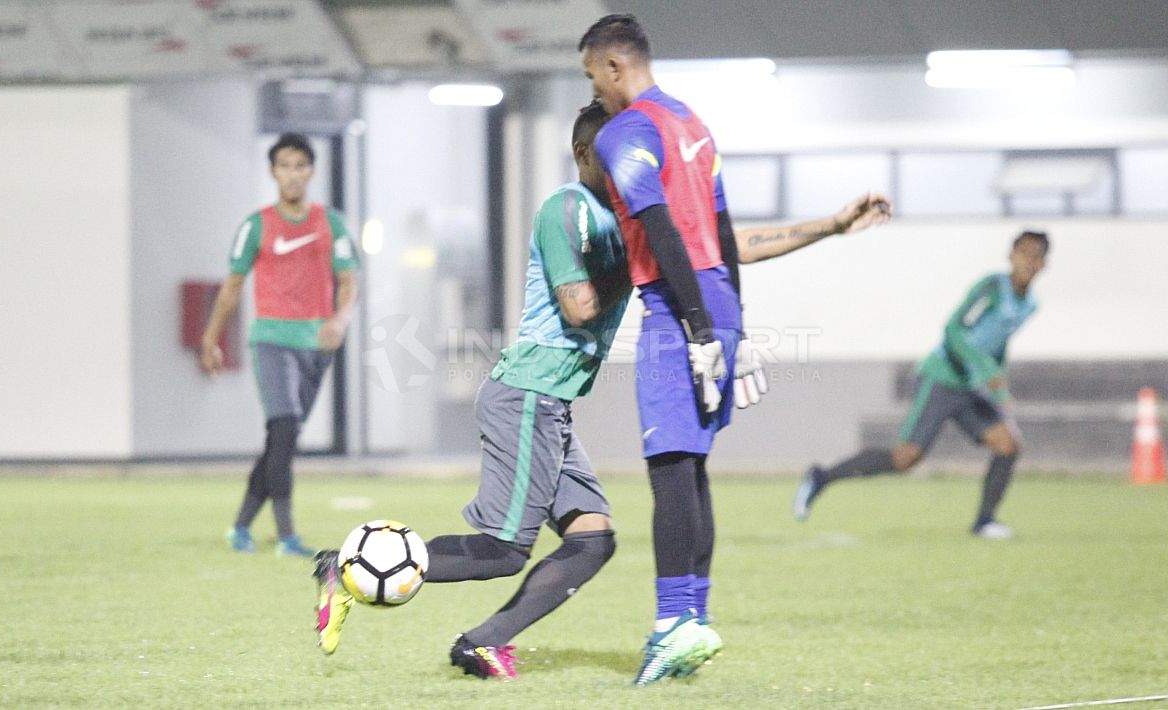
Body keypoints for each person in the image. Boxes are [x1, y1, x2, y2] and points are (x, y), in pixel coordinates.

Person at [578, 13, 892, 685]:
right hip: (716, 297)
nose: (595, 93)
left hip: (676, 306)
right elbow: (719, 227)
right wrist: (733, 324)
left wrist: (690, 325)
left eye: (592, 77)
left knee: (669, 466)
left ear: (613, 67)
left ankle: (671, 627)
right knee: (692, 469)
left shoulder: (626, 132)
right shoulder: (693, 124)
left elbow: (660, 227)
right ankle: (692, 620)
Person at [312, 102, 629, 681]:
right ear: (584, 153)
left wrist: (826, 227)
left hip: (549, 404)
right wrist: (641, 258)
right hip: (527, 395)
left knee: (593, 540)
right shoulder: (569, 208)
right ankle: (347, 569)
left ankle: (482, 641)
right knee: (504, 552)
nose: (631, 163)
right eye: (618, 151)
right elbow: (580, 307)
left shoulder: (623, 216)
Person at [794, 230, 1050, 540]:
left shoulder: (1029, 304)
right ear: (1011, 255)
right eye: (1023, 253)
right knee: (906, 459)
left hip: (971, 386)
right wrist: (985, 370)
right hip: (942, 377)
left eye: (1035, 256)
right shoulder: (993, 288)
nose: (1028, 262)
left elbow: (997, 343)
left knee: (1008, 445)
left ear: (1043, 264)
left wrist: (998, 382)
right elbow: (954, 330)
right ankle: (822, 477)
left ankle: (985, 522)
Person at [200, 132, 359, 557]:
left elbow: (349, 280)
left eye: (301, 166)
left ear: (312, 171)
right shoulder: (257, 225)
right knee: (284, 429)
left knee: (281, 439)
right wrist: (211, 338)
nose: (293, 174)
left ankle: (240, 528)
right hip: (271, 339)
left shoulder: (331, 223)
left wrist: (340, 319)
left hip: (317, 344)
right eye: (284, 165)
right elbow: (232, 286)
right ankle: (287, 536)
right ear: (273, 171)